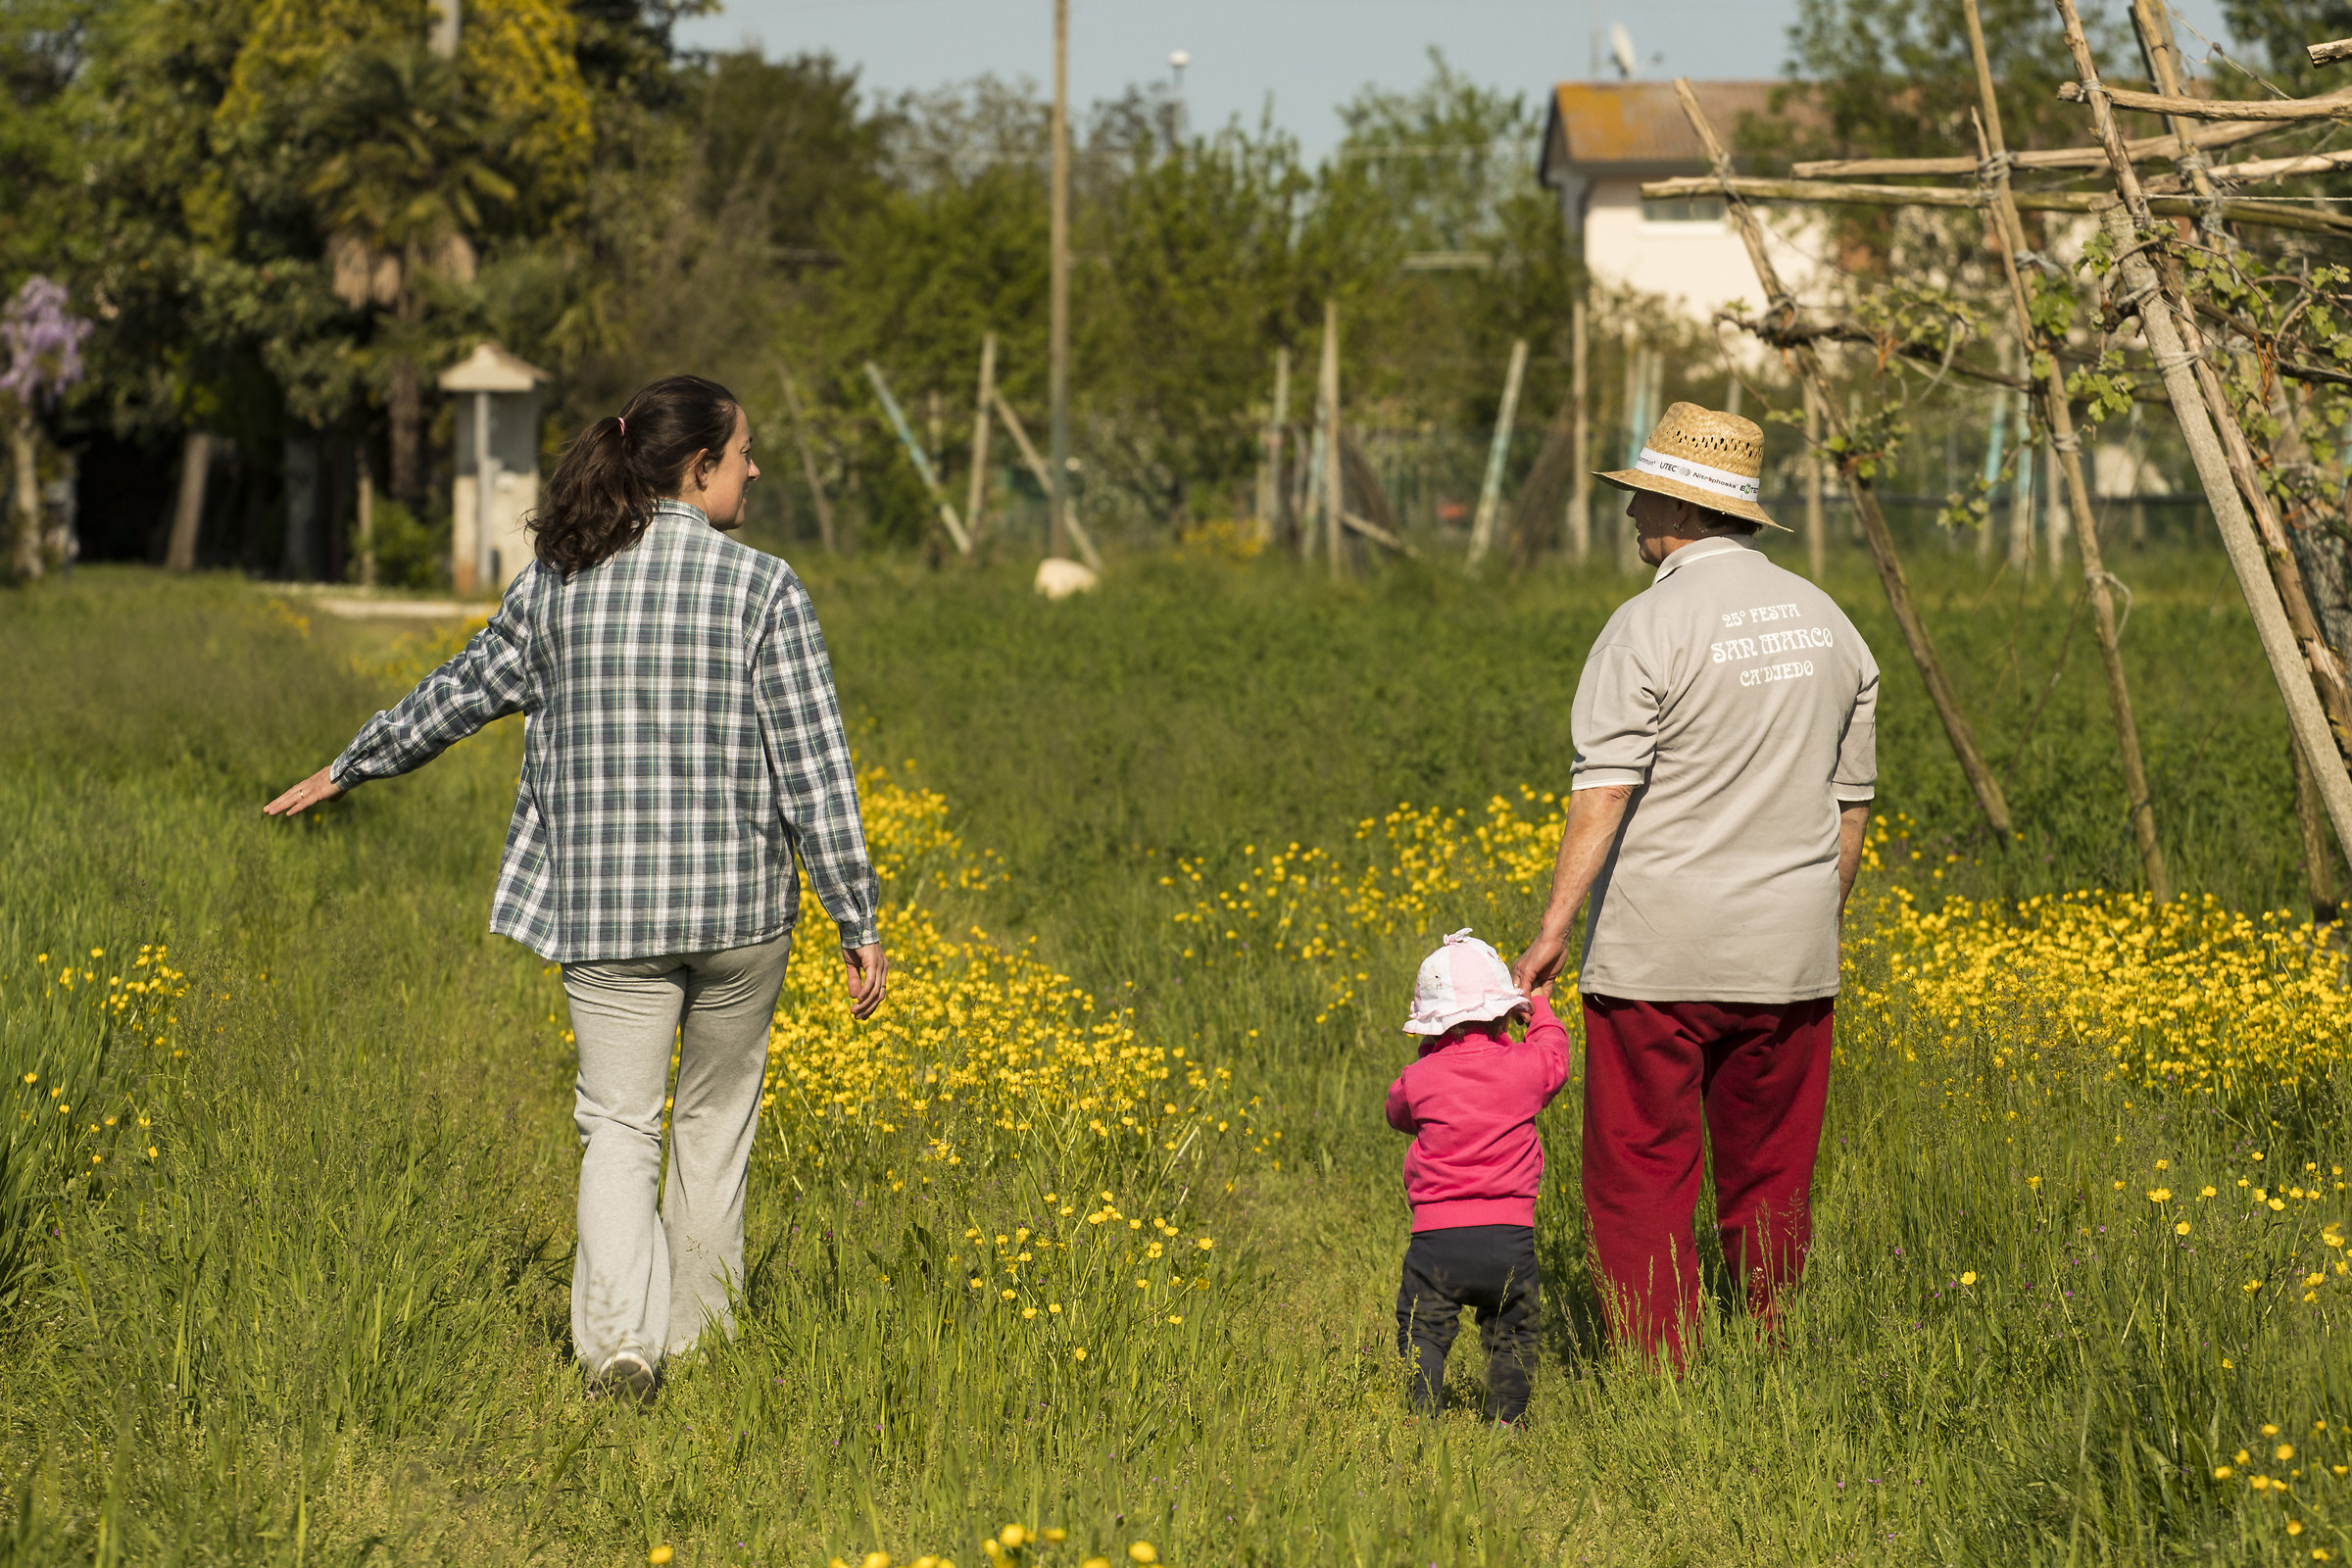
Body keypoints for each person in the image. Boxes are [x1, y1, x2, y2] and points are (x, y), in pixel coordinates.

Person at [264, 374, 887, 1404]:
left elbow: (462, 689)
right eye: (742, 455)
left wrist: (356, 761)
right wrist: (854, 913)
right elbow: (815, 768)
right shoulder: (766, 588)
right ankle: (706, 1345)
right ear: (699, 469)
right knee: (714, 1125)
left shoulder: (562, 580)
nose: (754, 470)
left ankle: (618, 1351)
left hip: (609, 914)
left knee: (619, 1123)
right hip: (741, 919)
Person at [1510, 401, 1878, 1369]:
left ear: (1675, 511)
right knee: (1772, 1167)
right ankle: (1770, 1343)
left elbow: (1603, 790)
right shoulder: (1833, 625)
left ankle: (1658, 1365)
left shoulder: (1646, 624)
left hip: (1655, 954)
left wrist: (1552, 927)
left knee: (1642, 1164)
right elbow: (1852, 809)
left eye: (1640, 504)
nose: (1633, 520)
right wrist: (1812, 916)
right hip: (1792, 953)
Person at [1387, 929, 1571, 1426]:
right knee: (1513, 1330)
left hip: (1436, 1240)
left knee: (1424, 1326)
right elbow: (1556, 1060)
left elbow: (1397, 1112)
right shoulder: (1525, 1067)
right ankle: (1506, 1420)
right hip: (1510, 1236)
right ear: (1503, 1013)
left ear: (1432, 1024)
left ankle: (1424, 1414)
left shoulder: (1420, 1078)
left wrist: (1433, 1055)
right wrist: (1540, 1010)